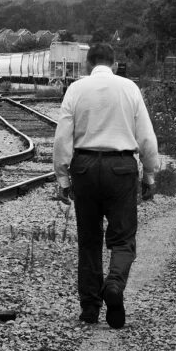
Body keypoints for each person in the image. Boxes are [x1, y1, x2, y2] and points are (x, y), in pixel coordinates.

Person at [52, 43, 159, 329]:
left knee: (88, 240)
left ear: (88, 64)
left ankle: (89, 309)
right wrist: (149, 174)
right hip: (121, 168)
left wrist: (62, 177)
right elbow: (146, 138)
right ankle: (114, 284)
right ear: (114, 63)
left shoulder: (76, 89)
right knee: (123, 238)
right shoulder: (129, 88)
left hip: (85, 167)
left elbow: (63, 136)